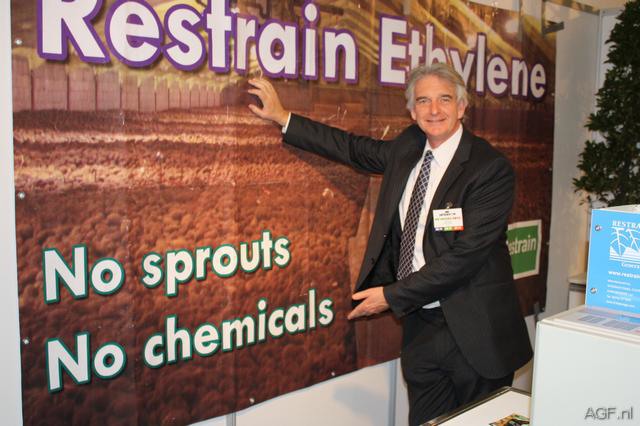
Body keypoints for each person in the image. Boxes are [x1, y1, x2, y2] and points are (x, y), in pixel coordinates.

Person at [247, 63, 532, 426]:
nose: (434, 110)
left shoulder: (489, 168)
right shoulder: (408, 148)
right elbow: (352, 149)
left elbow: (465, 257)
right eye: (423, 101)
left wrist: (392, 296)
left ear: (462, 106)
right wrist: (282, 117)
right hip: (421, 327)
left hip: (477, 332)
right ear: (411, 111)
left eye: (445, 99)